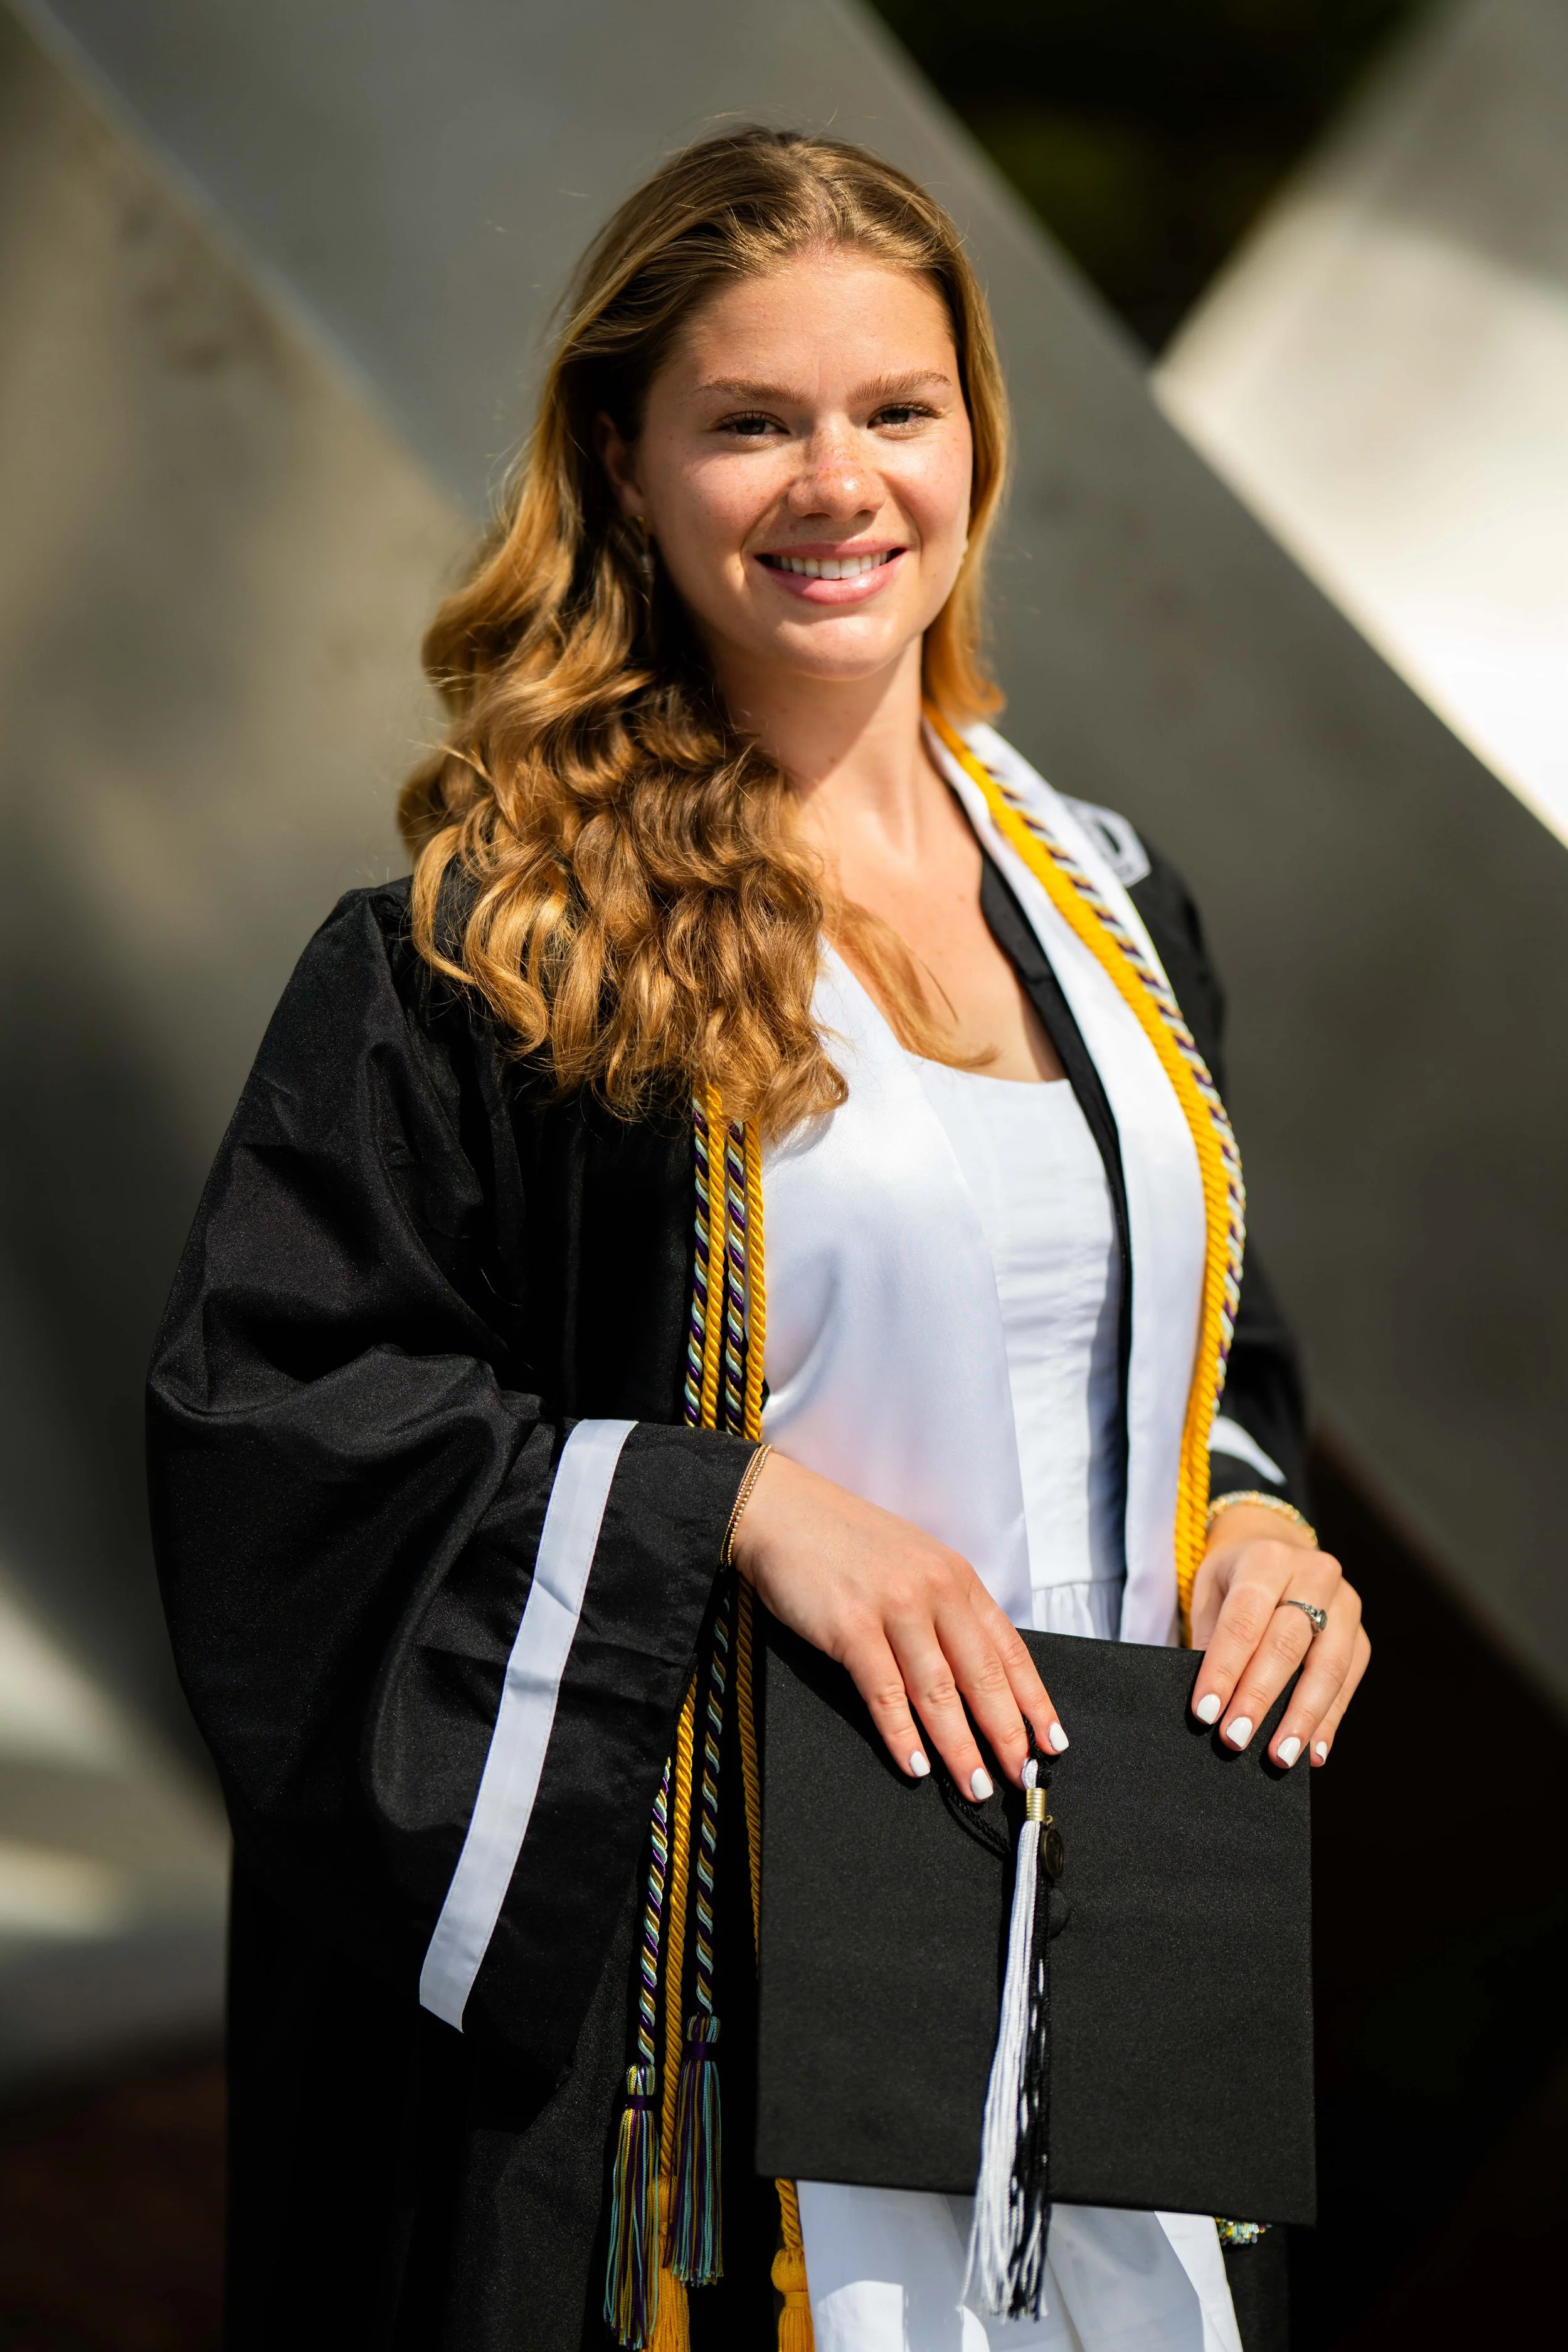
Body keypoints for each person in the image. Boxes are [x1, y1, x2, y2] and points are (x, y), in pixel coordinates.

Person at [147, 128, 1369, 2352]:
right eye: (749, 421)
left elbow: (1203, 1359)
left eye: (893, 409)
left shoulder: (1111, 900)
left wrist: (1257, 1529)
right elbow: (283, 1432)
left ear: (976, 438)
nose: (836, 482)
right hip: (721, 2035)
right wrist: (734, 1507)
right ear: (622, 463)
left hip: (1109, 1984)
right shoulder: (493, 953)